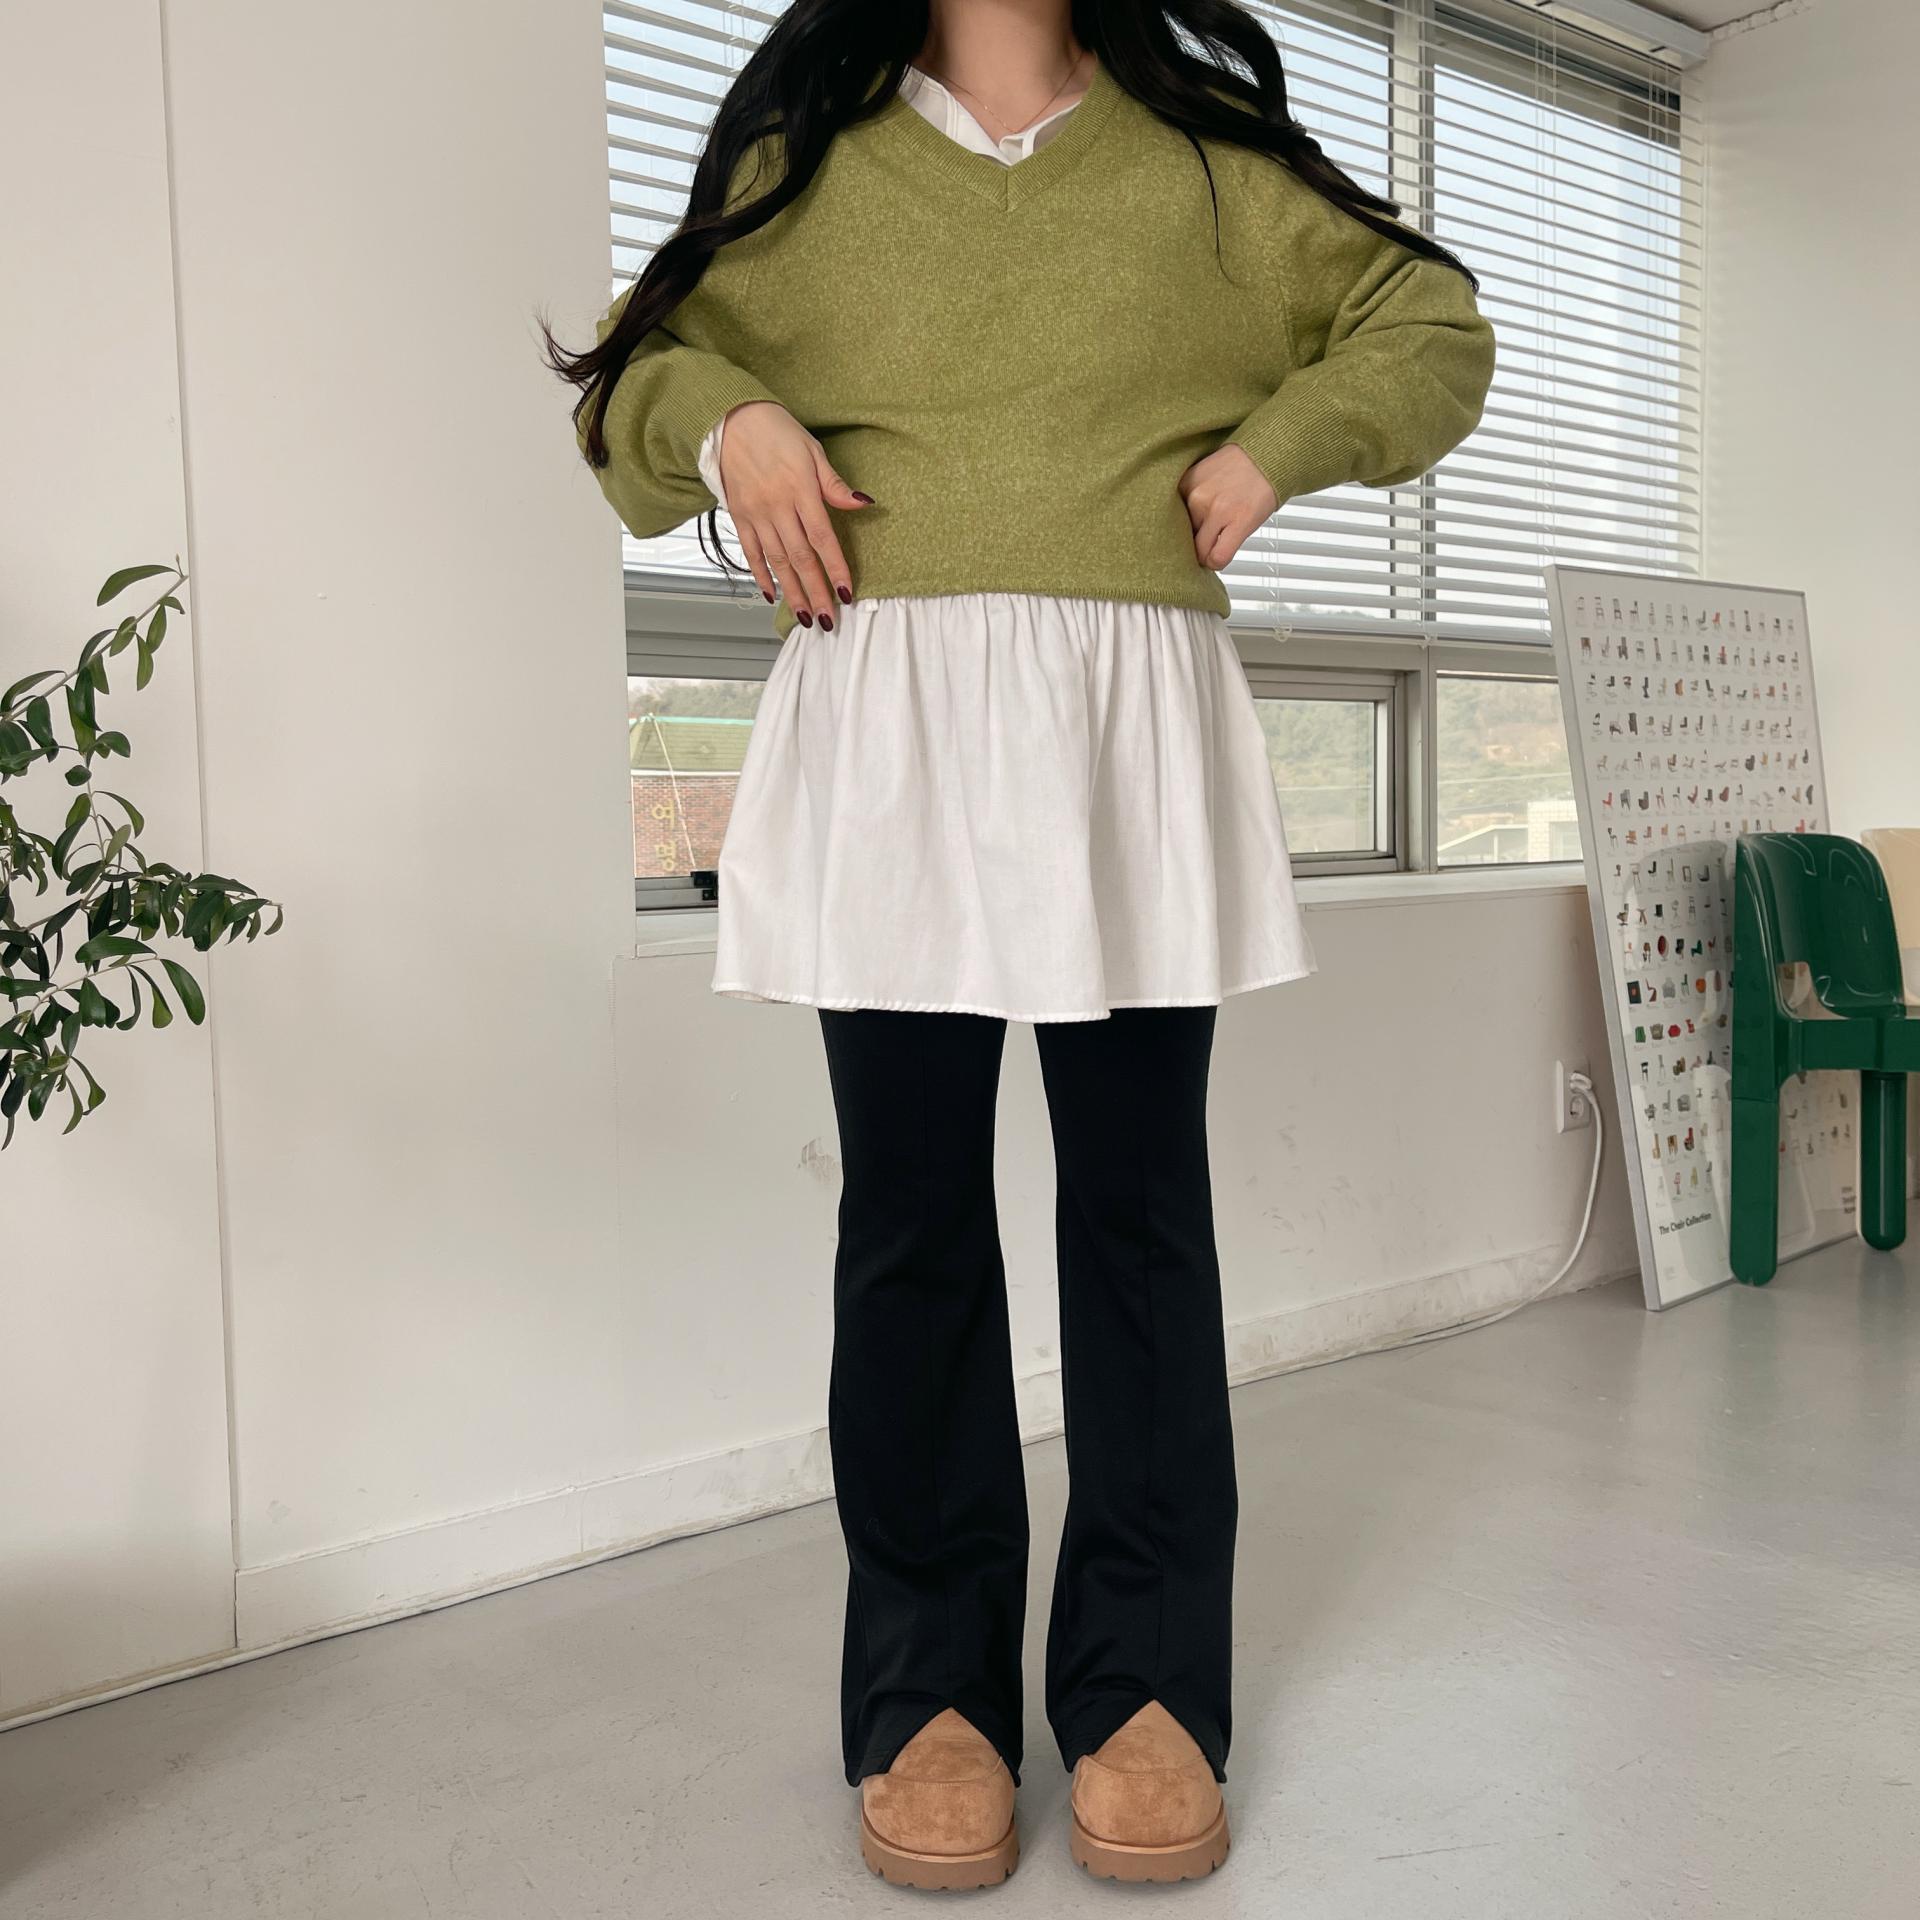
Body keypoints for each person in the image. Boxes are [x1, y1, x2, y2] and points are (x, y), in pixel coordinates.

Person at [547, 0, 1494, 1890]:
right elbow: (629, 391)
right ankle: (929, 1697)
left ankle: (1149, 1686)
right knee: (910, 1227)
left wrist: (1283, 442)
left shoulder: (1203, 159)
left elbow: (1434, 324)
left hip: (1124, 736)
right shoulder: (808, 160)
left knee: (1139, 1219)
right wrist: (730, 421)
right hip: (889, 730)